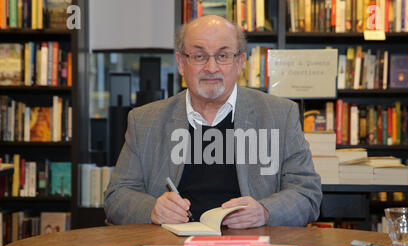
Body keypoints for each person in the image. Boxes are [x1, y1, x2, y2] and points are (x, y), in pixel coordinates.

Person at [104, 15, 322, 229]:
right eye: (199, 56)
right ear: (181, 63)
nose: (211, 67)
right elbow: (116, 196)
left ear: (239, 63)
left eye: (223, 56)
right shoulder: (144, 120)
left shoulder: (280, 115)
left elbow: (307, 194)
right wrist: (151, 209)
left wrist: (265, 212)